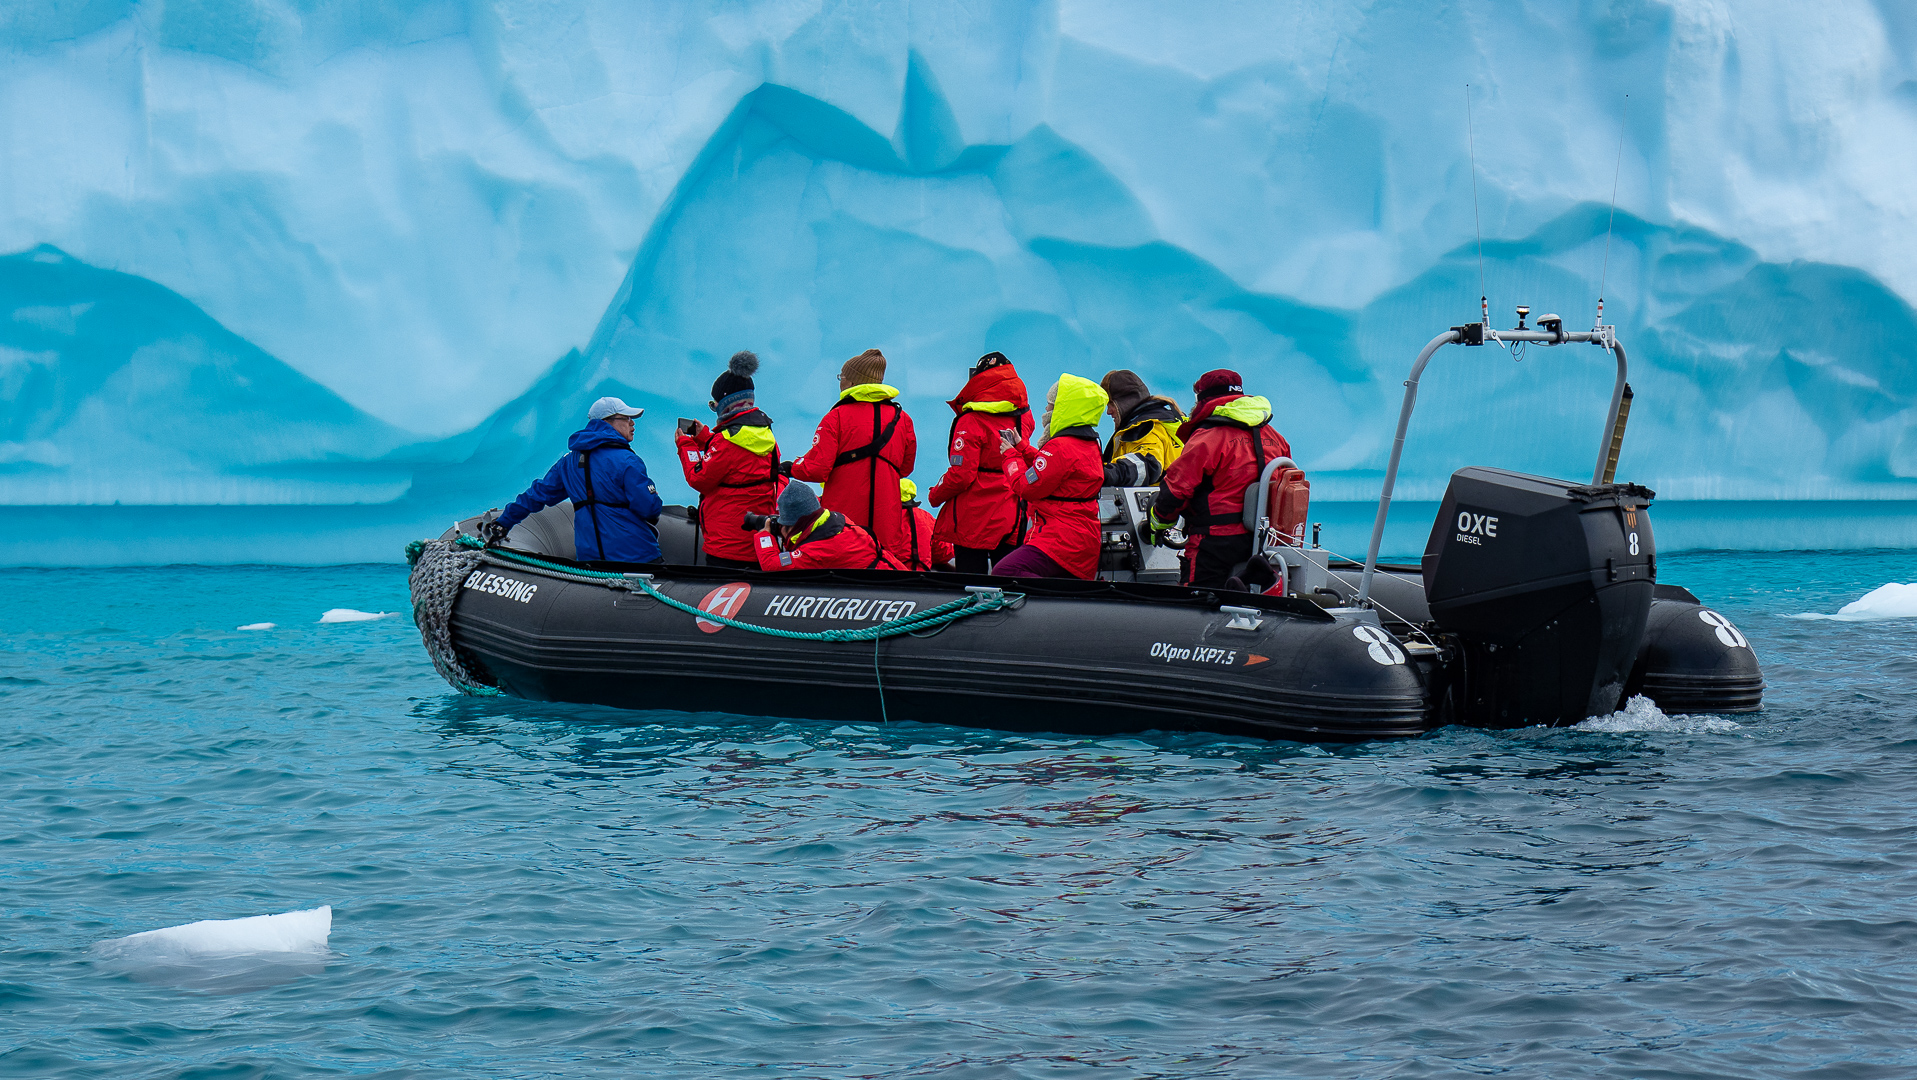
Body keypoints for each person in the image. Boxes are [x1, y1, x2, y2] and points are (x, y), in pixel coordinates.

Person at [1149, 368, 1292, 587]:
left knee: (1199, 602)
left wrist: (1158, 521)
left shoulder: (1208, 438)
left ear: (1204, 399)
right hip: (1263, 542)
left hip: (1214, 541)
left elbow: (1177, 489)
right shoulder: (1275, 438)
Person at [486, 396, 665, 564]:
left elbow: (537, 495)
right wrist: (654, 498)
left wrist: (504, 522)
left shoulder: (568, 462)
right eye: (626, 418)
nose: (632, 423)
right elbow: (648, 508)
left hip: (591, 561)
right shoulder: (628, 460)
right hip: (636, 556)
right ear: (608, 421)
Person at [786, 347, 917, 562]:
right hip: (886, 522)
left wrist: (792, 467)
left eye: (842, 377)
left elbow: (817, 468)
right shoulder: (902, 419)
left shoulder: (836, 417)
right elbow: (905, 468)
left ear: (852, 382)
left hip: (842, 524)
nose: (840, 382)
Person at [926, 351, 1032, 574]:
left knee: (970, 584)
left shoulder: (971, 421)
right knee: (1008, 580)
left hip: (973, 518)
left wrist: (935, 495)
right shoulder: (1022, 416)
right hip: (1010, 511)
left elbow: (961, 475)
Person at [994, 374, 1108, 580]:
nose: (1046, 409)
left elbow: (1026, 487)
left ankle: (1048, 605)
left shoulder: (1060, 446)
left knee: (1005, 571)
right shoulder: (1088, 444)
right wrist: (1022, 448)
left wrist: (1009, 455)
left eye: (1051, 404)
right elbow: (1052, 470)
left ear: (1064, 409)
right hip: (1080, 541)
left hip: (1059, 540)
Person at [675, 350, 783, 570]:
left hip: (727, 544)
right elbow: (739, 462)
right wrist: (706, 438)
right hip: (758, 539)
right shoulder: (765, 434)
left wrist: (686, 445)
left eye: (714, 404)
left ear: (725, 403)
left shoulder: (726, 442)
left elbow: (700, 478)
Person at [752, 481, 906, 571]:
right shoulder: (839, 520)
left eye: (783, 525)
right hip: (902, 579)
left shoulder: (816, 550)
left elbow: (771, 564)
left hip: (894, 592)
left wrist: (764, 534)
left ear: (795, 525)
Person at [1100, 369, 1185, 486]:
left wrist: (1106, 473)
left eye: (1111, 404)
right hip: (1175, 502)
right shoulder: (1166, 421)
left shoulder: (1145, 427)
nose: (1108, 412)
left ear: (1124, 402)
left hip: (1153, 504)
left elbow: (1148, 463)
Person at [899, 479, 954, 571]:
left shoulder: (883, 519)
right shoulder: (927, 518)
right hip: (922, 576)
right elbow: (943, 553)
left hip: (890, 578)